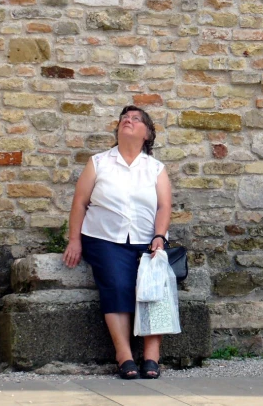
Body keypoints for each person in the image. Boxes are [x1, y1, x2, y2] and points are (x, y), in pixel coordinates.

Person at [62, 105, 172, 379]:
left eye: (136, 119)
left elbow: (164, 207)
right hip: (104, 238)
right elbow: (80, 202)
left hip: (148, 239)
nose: (128, 120)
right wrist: (74, 240)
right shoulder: (99, 162)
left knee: (154, 289)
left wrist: (159, 236)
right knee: (117, 284)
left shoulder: (156, 168)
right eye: (125, 118)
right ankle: (124, 355)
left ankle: (151, 357)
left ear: (147, 134)